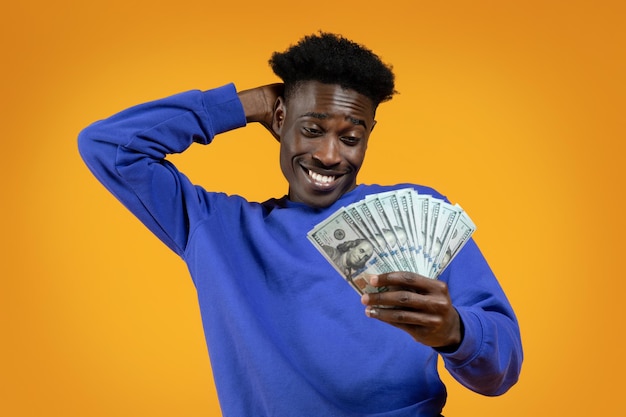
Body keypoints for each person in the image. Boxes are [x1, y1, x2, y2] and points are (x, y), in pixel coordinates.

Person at [78, 32, 522, 417]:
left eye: (351, 138)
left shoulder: (421, 215)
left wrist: (456, 333)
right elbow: (109, 146)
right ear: (279, 119)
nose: (330, 155)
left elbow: (501, 371)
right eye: (312, 129)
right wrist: (243, 104)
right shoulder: (215, 229)